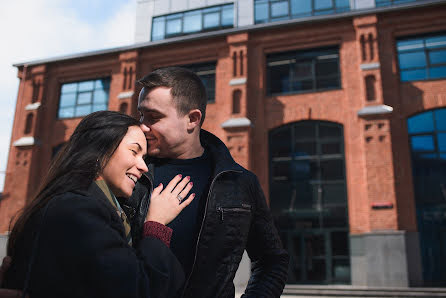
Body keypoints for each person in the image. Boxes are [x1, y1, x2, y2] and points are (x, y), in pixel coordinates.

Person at [120, 67, 289, 298]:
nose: (142, 125)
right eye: (141, 115)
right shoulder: (130, 173)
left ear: (192, 119)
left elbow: (272, 260)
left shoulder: (240, 183)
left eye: (154, 117)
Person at [2, 111, 194, 298]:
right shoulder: (78, 210)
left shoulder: (77, 204)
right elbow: (138, 290)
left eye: (143, 158)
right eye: (134, 151)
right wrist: (156, 225)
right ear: (100, 149)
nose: (143, 167)